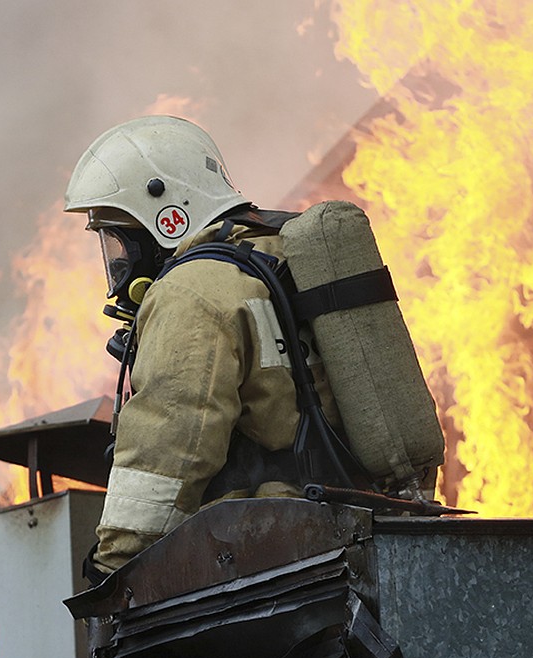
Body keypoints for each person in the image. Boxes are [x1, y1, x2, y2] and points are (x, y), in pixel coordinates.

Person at [64, 115, 377, 578]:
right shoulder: (281, 256)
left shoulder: (193, 291)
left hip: (267, 565)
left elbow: (167, 452)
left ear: (165, 216)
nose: (117, 267)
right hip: (356, 538)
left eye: (118, 241)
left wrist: (115, 573)